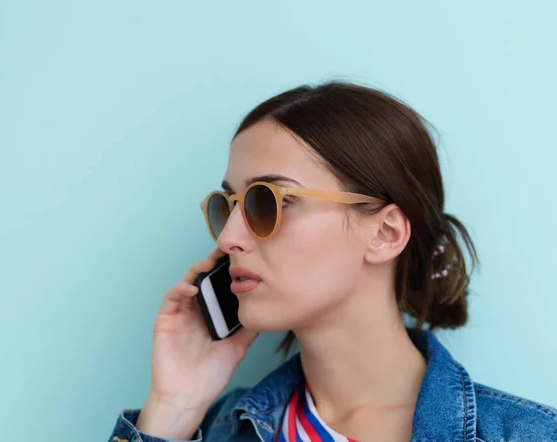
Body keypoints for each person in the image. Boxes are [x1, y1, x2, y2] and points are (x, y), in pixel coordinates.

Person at [108, 81, 557, 442]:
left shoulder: (527, 435)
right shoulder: (209, 430)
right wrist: (172, 405)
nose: (228, 238)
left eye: (269, 202)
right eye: (228, 206)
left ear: (384, 234)